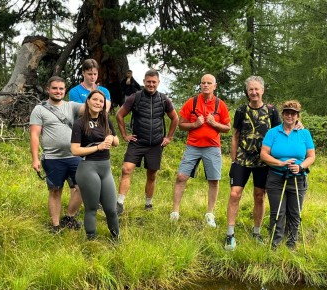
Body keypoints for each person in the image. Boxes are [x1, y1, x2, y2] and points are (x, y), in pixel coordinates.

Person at [224, 75, 282, 250]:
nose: (254, 92)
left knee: (259, 196)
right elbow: (235, 135)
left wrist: (298, 124)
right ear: (247, 92)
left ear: (263, 90)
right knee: (235, 194)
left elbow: (281, 131)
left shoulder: (272, 111)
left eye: (257, 89)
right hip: (242, 159)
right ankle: (230, 234)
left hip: (263, 161)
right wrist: (233, 160)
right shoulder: (241, 111)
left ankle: (256, 232)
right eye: (251, 89)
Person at [170, 74, 231, 227]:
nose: (205, 85)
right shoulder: (192, 102)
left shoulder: (220, 105)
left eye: (209, 83)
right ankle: (175, 212)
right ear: (200, 85)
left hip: (212, 147)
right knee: (181, 177)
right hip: (193, 146)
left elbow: (227, 128)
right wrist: (195, 125)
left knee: (214, 180)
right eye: (203, 82)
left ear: (214, 86)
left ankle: (210, 214)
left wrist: (214, 123)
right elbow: (181, 124)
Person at [115, 69, 179, 214]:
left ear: (158, 83)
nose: (151, 84)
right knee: (126, 169)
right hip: (137, 142)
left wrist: (168, 137)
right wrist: (125, 135)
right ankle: (119, 203)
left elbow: (175, 118)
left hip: (156, 144)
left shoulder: (164, 99)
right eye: (148, 82)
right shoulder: (134, 97)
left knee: (152, 175)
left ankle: (148, 204)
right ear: (144, 82)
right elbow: (120, 115)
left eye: (154, 82)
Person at [30, 76, 85, 233]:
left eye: (61, 88)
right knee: (55, 191)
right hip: (53, 158)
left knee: (82, 187)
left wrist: (96, 93)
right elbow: (34, 135)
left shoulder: (71, 106)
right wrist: (35, 159)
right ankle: (55, 226)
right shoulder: (39, 109)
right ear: (48, 89)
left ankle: (69, 217)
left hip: (74, 156)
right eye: (55, 88)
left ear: (65, 90)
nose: (58, 91)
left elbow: (92, 107)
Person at [260, 100, 315, 249]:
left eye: (293, 113)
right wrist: (281, 163)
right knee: (277, 212)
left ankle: (291, 245)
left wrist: (301, 166)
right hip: (276, 177)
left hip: (298, 178)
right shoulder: (273, 132)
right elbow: (264, 155)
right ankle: (275, 244)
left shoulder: (304, 133)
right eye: (287, 113)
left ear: (297, 116)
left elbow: (311, 156)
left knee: (295, 213)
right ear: (283, 114)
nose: (290, 116)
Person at [70, 90, 120, 240]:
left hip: (105, 168)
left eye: (101, 101)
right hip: (88, 168)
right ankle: (91, 240)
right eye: (95, 100)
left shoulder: (105, 120)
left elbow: (117, 142)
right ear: (88, 101)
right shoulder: (79, 124)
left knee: (111, 209)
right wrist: (97, 147)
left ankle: (116, 239)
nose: (98, 103)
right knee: (91, 208)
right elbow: (75, 150)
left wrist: (111, 137)